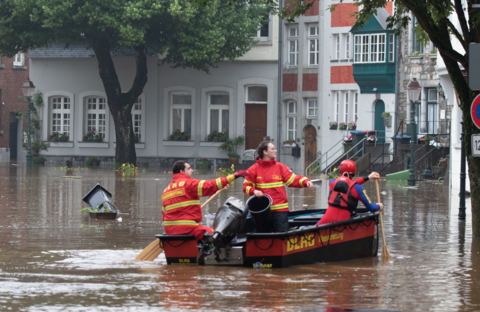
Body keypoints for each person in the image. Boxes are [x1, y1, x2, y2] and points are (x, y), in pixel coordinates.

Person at [162, 160, 247, 240]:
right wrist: (234, 176)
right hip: (187, 229)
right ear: (181, 171)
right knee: (215, 236)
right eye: (189, 168)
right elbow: (209, 186)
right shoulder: (188, 184)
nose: (192, 170)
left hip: (169, 230)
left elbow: (164, 213)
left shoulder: (166, 190)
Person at [243, 140, 313, 232]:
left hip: (280, 211)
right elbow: (245, 187)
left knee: (281, 237)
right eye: (272, 149)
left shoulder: (280, 167)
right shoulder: (253, 169)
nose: (275, 150)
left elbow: (292, 179)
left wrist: (305, 181)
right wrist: (254, 191)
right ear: (265, 151)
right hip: (263, 212)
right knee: (264, 237)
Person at [317, 159, 383, 225]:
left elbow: (351, 183)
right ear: (354, 172)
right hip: (342, 224)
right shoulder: (358, 188)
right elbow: (371, 208)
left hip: (323, 223)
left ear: (340, 170)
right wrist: (379, 206)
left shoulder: (332, 182)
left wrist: (368, 177)